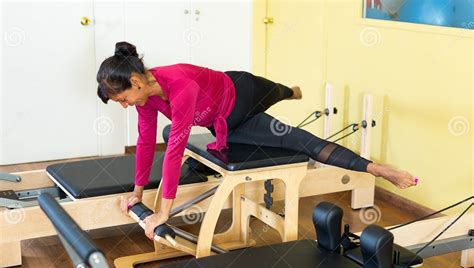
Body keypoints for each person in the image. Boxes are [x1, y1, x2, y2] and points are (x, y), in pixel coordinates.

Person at [97, 42, 417, 239]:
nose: (125, 105)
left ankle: (378, 169)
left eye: (122, 99)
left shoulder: (181, 86)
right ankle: (292, 96)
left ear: (136, 81)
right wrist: (137, 192)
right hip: (230, 125)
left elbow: (174, 149)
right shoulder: (146, 98)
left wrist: (163, 212)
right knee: (295, 139)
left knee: (280, 92)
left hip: (244, 94)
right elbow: (144, 141)